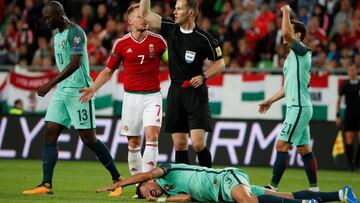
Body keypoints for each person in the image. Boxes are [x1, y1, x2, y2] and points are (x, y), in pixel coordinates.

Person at [22, 1, 122, 195]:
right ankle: (46, 184)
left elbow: (75, 64)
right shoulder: (57, 35)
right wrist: (56, 85)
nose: (46, 21)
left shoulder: (75, 32)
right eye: (45, 18)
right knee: (50, 133)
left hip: (79, 91)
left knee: (89, 139)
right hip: (62, 92)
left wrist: (49, 83)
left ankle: (117, 178)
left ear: (60, 14)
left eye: (49, 17)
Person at [80, 2, 168, 190]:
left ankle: (150, 182)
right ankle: (139, 185)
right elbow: (108, 70)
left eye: (145, 16)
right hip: (131, 98)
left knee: (152, 137)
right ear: (130, 21)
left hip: (153, 97)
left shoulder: (159, 41)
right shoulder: (121, 44)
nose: (144, 20)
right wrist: (93, 88)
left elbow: (173, 65)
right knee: (134, 142)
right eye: (139, 16)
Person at [139, 0, 225, 168]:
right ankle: (185, 187)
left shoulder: (204, 38)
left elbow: (220, 64)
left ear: (191, 12)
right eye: (175, 8)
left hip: (196, 93)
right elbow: (145, 14)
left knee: (198, 144)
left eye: (179, 9)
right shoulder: (170, 29)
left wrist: (203, 76)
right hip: (176, 91)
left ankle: (207, 183)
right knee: (179, 144)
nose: (174, 12)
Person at [259, 5, 319, 191]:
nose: (286, 32)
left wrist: (286, 11)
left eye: (292, 30)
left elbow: (285, 34)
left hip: (299, 107)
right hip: (297, 107)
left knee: (281, 144)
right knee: (303, 149)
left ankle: (272, 187)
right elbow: (287, 87)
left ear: (298, 36)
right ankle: (314, 189)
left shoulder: (303, 51)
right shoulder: (290, 58)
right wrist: (270, 100)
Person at [95, 163, 359, 203]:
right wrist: (160, 199)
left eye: (143, 191)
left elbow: (145, 176)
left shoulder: (165, 171)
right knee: (286, 196)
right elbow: (186, 199)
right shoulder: (173, 191)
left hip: (225, 179)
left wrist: (122, 184)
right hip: (226, 193)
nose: (147, 192)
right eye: (145, 196)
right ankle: (339, 194)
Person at [336, 64, 360, 172]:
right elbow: (339, 100)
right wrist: (337, 115)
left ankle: (357, 162)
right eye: (350, 70)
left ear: (356, 71)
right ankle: (350, 165)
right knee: (349, 140)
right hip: (349, 115)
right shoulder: (345, 84)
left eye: (354, 70)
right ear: (348, 71)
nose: (352, 72)